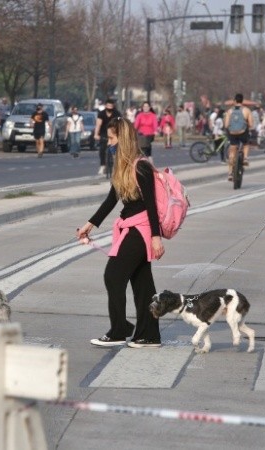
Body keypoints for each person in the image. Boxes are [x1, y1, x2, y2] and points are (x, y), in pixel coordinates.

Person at [76, 117, 164, 348]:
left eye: (112, 137)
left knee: (113, 275)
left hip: (141, 230)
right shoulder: (123, 167)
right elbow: (112, 199)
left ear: (122, 139)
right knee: (142, 284)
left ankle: (119, 330)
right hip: (131, 227)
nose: (109, 141)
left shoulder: (141, 166)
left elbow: (152, 205)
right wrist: (90, 224)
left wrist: (156, 238)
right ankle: (149, 335)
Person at [223, 93, 254, 182]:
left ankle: (230, 173)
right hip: (243, 132)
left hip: (232, 133)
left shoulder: (229, 111)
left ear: (235, 100)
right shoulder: (246, 110)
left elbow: (226, 124)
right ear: (242, 101)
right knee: (246, 144)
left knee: (232, 150)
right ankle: (245, 158)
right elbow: (251, 124)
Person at [95, 98, 121, 174]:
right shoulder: (101, 113)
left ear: (113, 106)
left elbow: (120, 123)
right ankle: (102, 165)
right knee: (102, 149)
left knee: (115, 150)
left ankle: (116, 166)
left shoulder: (117, 113)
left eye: (111, 106)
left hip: (114, 133)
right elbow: (98, 124)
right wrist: (96, 134)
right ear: (105, 106)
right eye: (108, 105)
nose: (109, 107)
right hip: (104, 133)